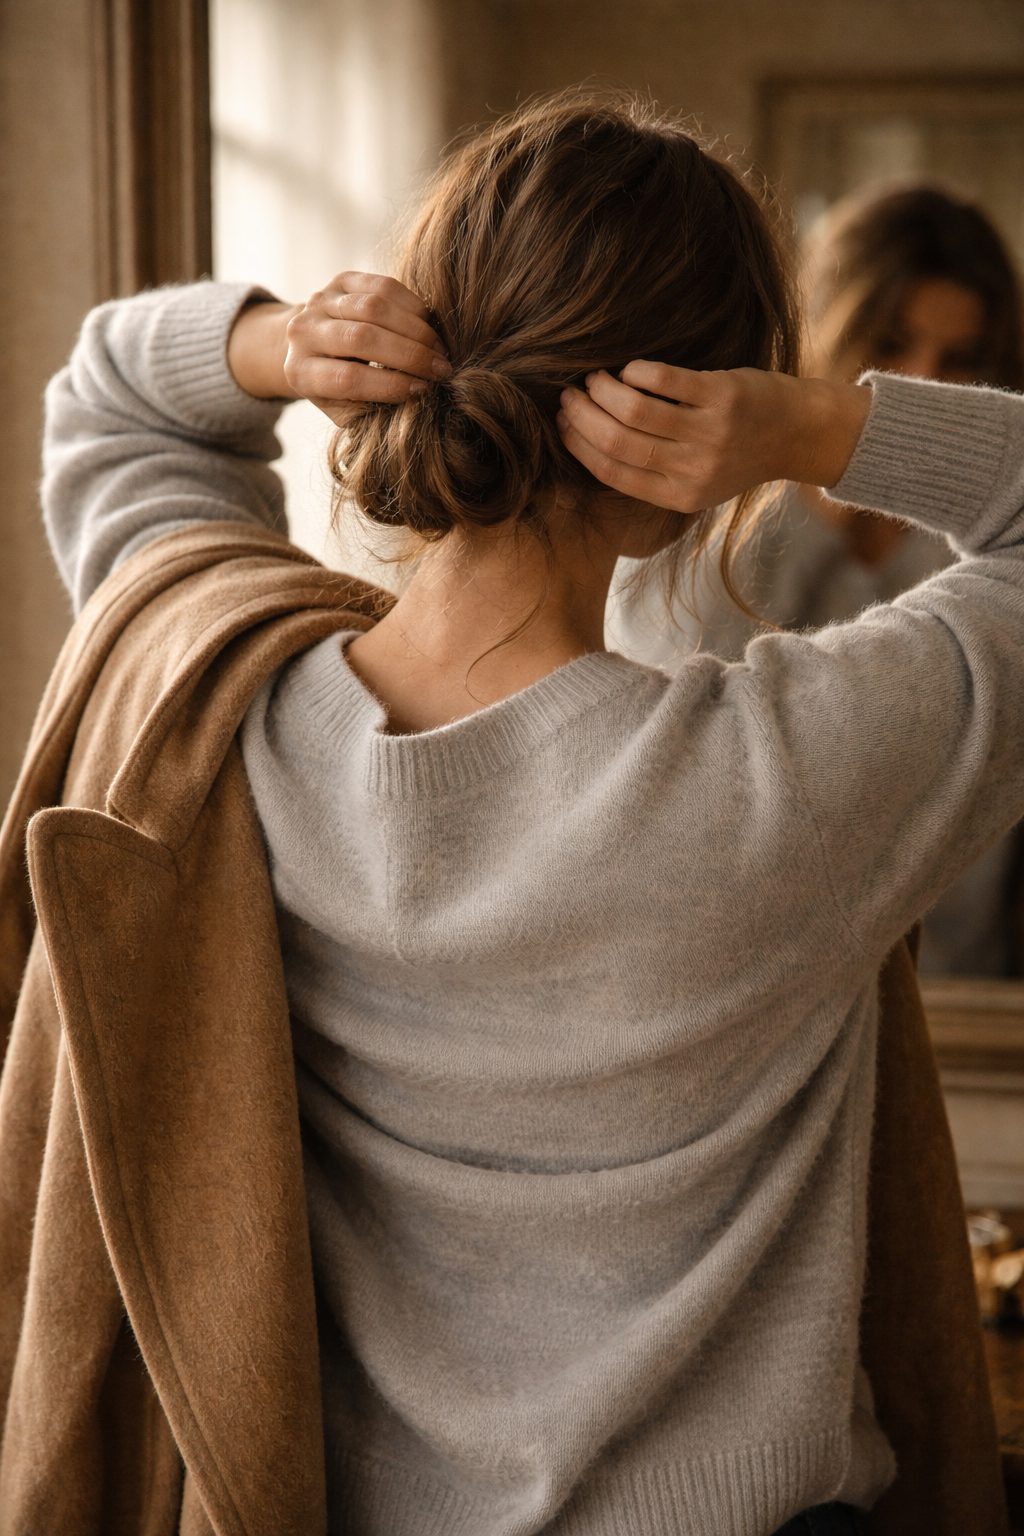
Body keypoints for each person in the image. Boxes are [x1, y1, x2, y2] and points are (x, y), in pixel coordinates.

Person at [36, 89, 1024, 1535]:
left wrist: (281, 343)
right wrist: (817, 424)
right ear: (696, 450)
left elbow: (108, 395)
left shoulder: (222, 716)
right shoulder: (794, 782)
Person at [604, 182, 1024, 976]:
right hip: (741, 991)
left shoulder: (993, 547)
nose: (926, 382)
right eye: (890, 342)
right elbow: (681, 780)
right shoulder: (696, 532)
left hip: (963, 991)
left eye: (961, 361)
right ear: (830, 325)